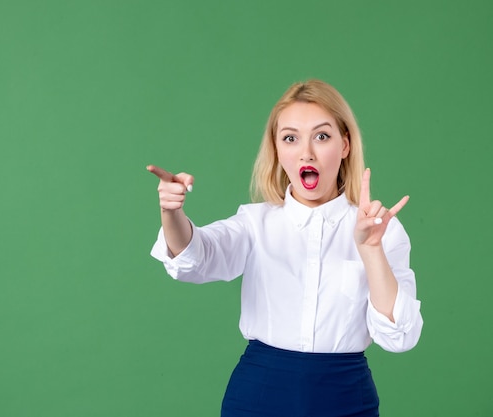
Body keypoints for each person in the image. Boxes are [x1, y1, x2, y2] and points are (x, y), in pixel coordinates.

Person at [147, 79, 423, 417]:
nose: (306, 152)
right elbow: (195, 257)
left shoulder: (383, 231)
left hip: (347, 400)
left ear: (345, 145)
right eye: (290, 138)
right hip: (258, 397)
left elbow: (400, 338)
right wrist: (171, 213)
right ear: (278, 150)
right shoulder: (254, 223)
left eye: (322, 136)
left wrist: (370, 251)